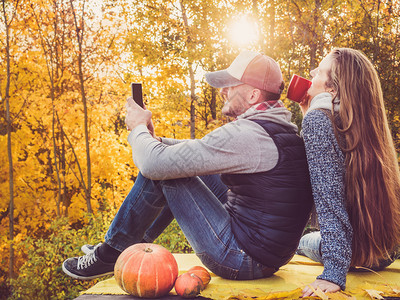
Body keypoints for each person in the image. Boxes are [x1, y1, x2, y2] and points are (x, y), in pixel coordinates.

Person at [62, 50, 313, 281]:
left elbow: (153, 164)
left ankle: (113, 251)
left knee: (166, 171)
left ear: (253, 95)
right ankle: (128, 245)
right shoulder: (277, 129)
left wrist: (137, 128)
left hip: (243, 258)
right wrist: (156, 141)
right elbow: (200, 149)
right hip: (266, 252)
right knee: (169, 160)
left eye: (230, 85)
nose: (223, 91)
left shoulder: (249, 135)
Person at [296, 48, 400, 297]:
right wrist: (307, 114)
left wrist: (333, 273)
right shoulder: (367, 126)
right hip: (386, 251)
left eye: (319, 71)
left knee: (300, 243)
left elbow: (329, 201)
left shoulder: (319, 122)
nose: (311, 73)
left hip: (353, 254)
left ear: (332, 90)